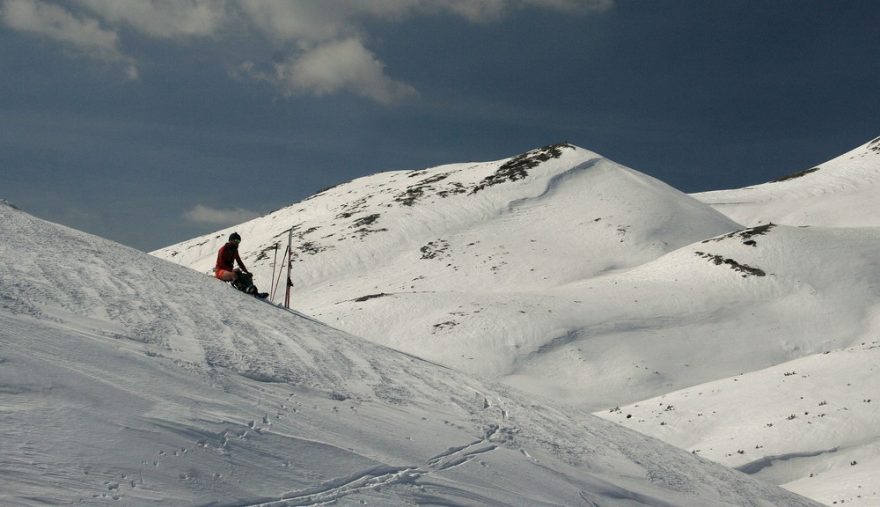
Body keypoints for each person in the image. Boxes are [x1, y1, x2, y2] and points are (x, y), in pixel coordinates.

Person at [214, 232, 269, 298]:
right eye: (236, 241)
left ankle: (253, 291)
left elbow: (239, 262)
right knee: (234, 274)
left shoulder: (235, 250)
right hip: (220, 272)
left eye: (239, 241)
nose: (237, 243)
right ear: (231, 240)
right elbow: (222, 264)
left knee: (247, 275)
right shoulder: (223, 249)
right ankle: (243, 289)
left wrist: (247, 272)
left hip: (228, 271)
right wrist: (232, 271)